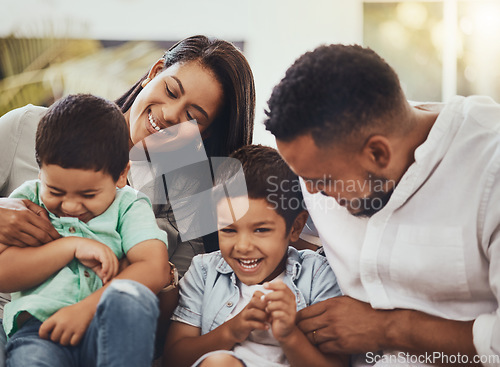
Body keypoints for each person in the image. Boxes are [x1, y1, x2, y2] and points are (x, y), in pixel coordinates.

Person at [0, 35, 256, 364]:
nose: (169, 114)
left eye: (193, 116)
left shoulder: (191, 202)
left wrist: (156, 277)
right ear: (155, 71)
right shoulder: (28, 127)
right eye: (170, 90)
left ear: (204, 134)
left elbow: (168, 328)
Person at [264, 44, 500, 366]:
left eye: (324, 180)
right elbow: (215, 217)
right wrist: (176, 124)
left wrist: (389, 329)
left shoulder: (490, 168)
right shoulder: (323, 157)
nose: (312, 193)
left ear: (378, 154)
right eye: (303, 178)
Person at [0, 94, 170, 366]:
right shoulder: (29, 200)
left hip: (107, 327)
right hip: (39, 332)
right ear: (40, 169)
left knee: (130, 299)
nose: (69, 205)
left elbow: (154, 267)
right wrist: (70, 247)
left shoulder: (128, 205)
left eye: (88, 194)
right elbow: (4, 274)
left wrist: (85, 310)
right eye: (55, 190)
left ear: (120, 175)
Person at [164, 145, 347, 367]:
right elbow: (174, 359)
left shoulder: (317, 275)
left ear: (295, 227)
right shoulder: (204, 273)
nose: (242, 246)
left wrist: (290, 335)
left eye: (261, 230)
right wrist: (232, 330)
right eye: (229, 230)